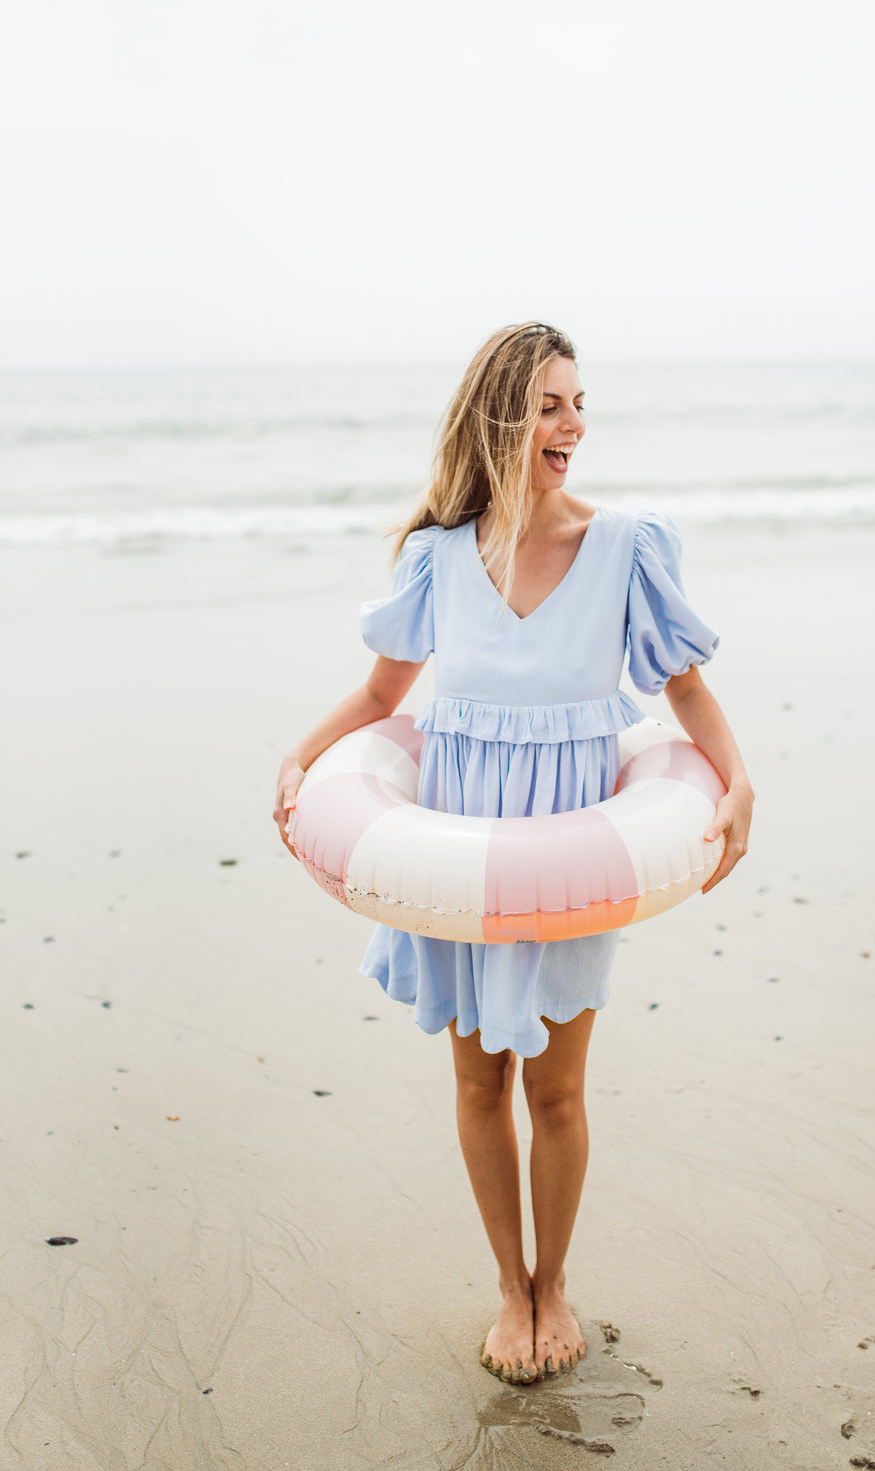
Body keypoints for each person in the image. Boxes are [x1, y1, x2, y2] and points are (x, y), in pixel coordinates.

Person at [273, 322, 753, 1386]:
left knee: (560, 1091)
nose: (571, 424)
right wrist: (303, 754)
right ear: (499, 413)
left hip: (572, 849)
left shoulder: (626, 543)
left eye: (578, 403)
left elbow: (681, 686)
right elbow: (383, 695)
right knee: (478, 1073)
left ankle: (558, 1282)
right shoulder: (440, 556)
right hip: (457, 837)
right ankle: (509, 1285)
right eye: (548, 404)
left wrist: (738, 777)